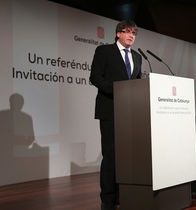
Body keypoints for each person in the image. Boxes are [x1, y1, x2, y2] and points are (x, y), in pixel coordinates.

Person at [89, 20, 142, 210]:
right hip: (110, 109)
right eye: (128, 32)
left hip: (131, 113)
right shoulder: (104, 51)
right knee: (111, 155)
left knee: (128, 155)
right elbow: (95, 76)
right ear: (118, 34)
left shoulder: (137, 57)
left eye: (134, 33)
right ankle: (108, 199)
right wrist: (116, 89)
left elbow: (136, 81)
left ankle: (124, 194)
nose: (131, 36)